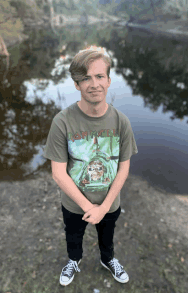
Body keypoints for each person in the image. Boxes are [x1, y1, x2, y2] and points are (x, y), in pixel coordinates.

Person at [43, 45, 138, 286]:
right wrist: (89, 207)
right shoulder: (62, 122)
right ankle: (74, 260)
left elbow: (123, 168)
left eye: (99, 76)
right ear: (76, 84)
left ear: (108, 80)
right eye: (85, 78)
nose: (93, 84)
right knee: (73, 236)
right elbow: (58, 173)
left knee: (108, 236)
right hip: (75, 205)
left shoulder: (121, 121)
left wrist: (104, 207)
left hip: (109, 203)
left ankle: (108, 260)